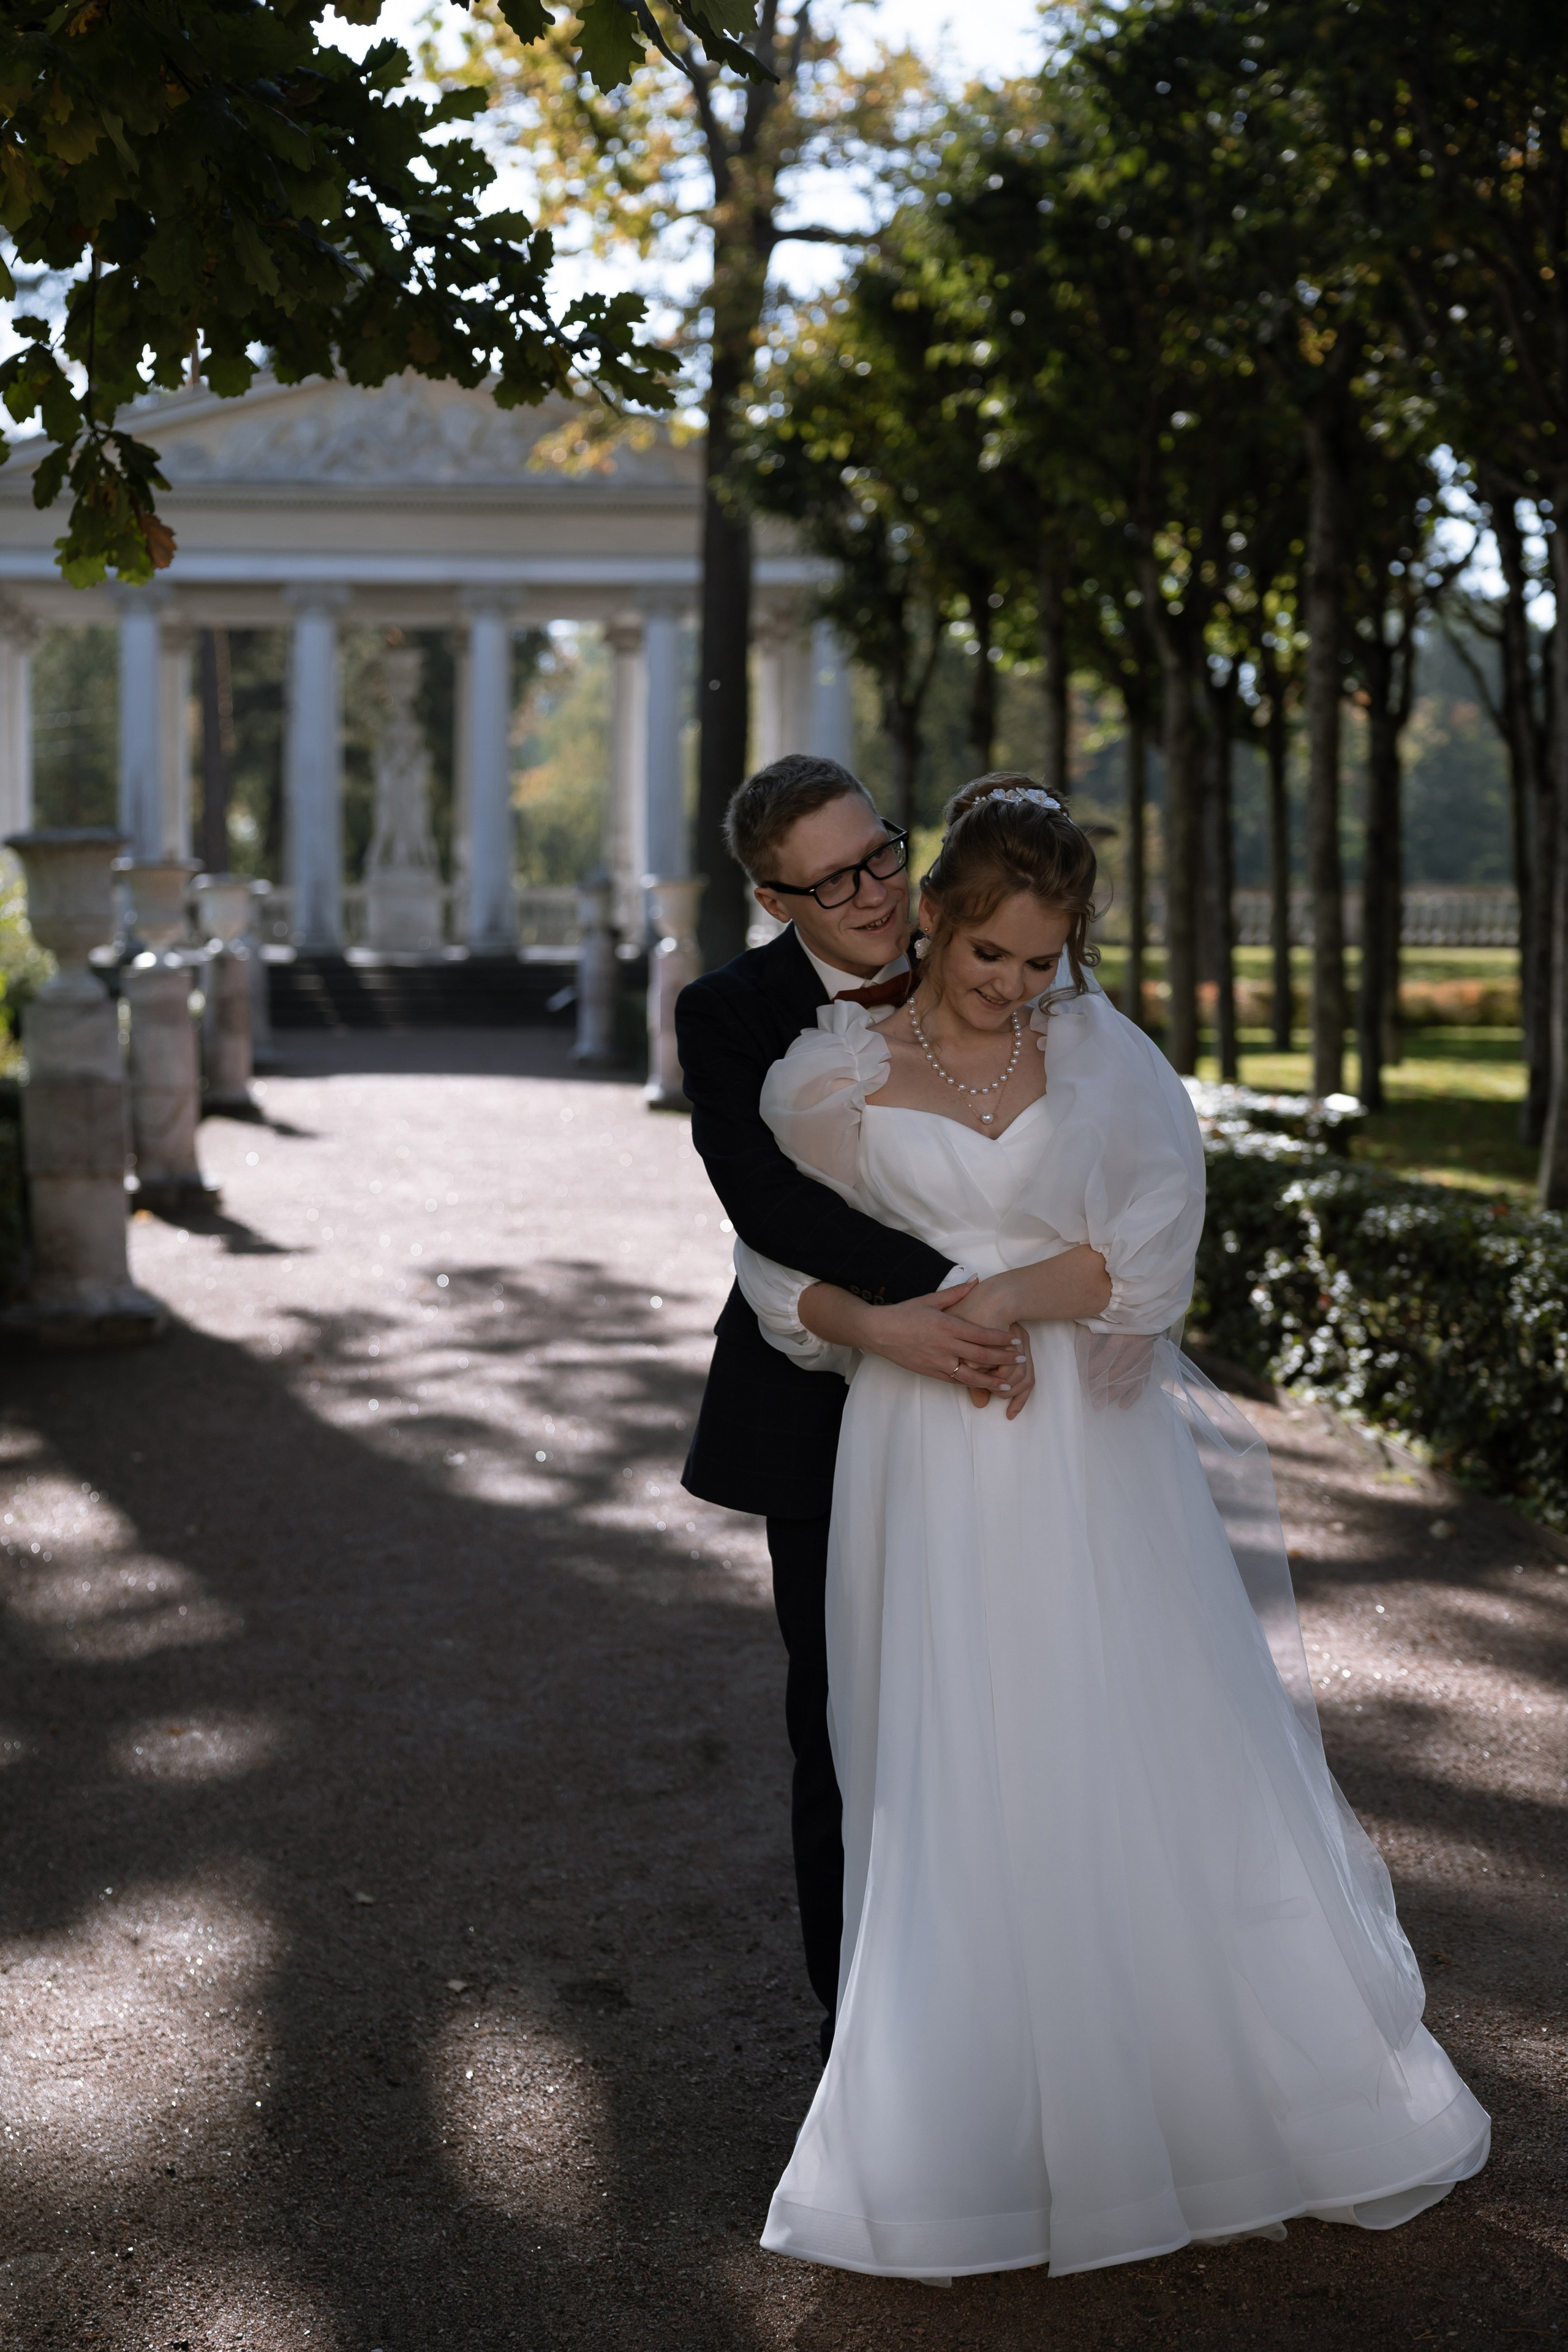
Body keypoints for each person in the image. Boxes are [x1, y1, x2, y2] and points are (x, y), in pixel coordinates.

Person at [731, 772, 1489, 2283]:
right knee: (939, 1752)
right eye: (987, 954)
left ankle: (1178, 2099)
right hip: (915, 1444)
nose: (1014, 986)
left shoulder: (1096, 1052)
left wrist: (1002, 1298)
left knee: (1108, 1731)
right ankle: (967, 2123)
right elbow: (772, 1277)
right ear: (932, 917)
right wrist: (896, 1330)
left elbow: (1143, 1245)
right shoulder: (821, 1076)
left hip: (1074, 1437)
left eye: (1042, 959)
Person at [677, 756, 1057, 2060]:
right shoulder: (724, 1012)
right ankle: (869, 2045)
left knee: (1025, 1697)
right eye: (830, 879)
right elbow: (766, 1204)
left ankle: (1031, 2005)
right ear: (774, 899)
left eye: (881, 854)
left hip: (1018, 1398)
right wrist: (928, 1305)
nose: (872, 892)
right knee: (844, 1715)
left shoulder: (982, 942)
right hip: (821, 1412)